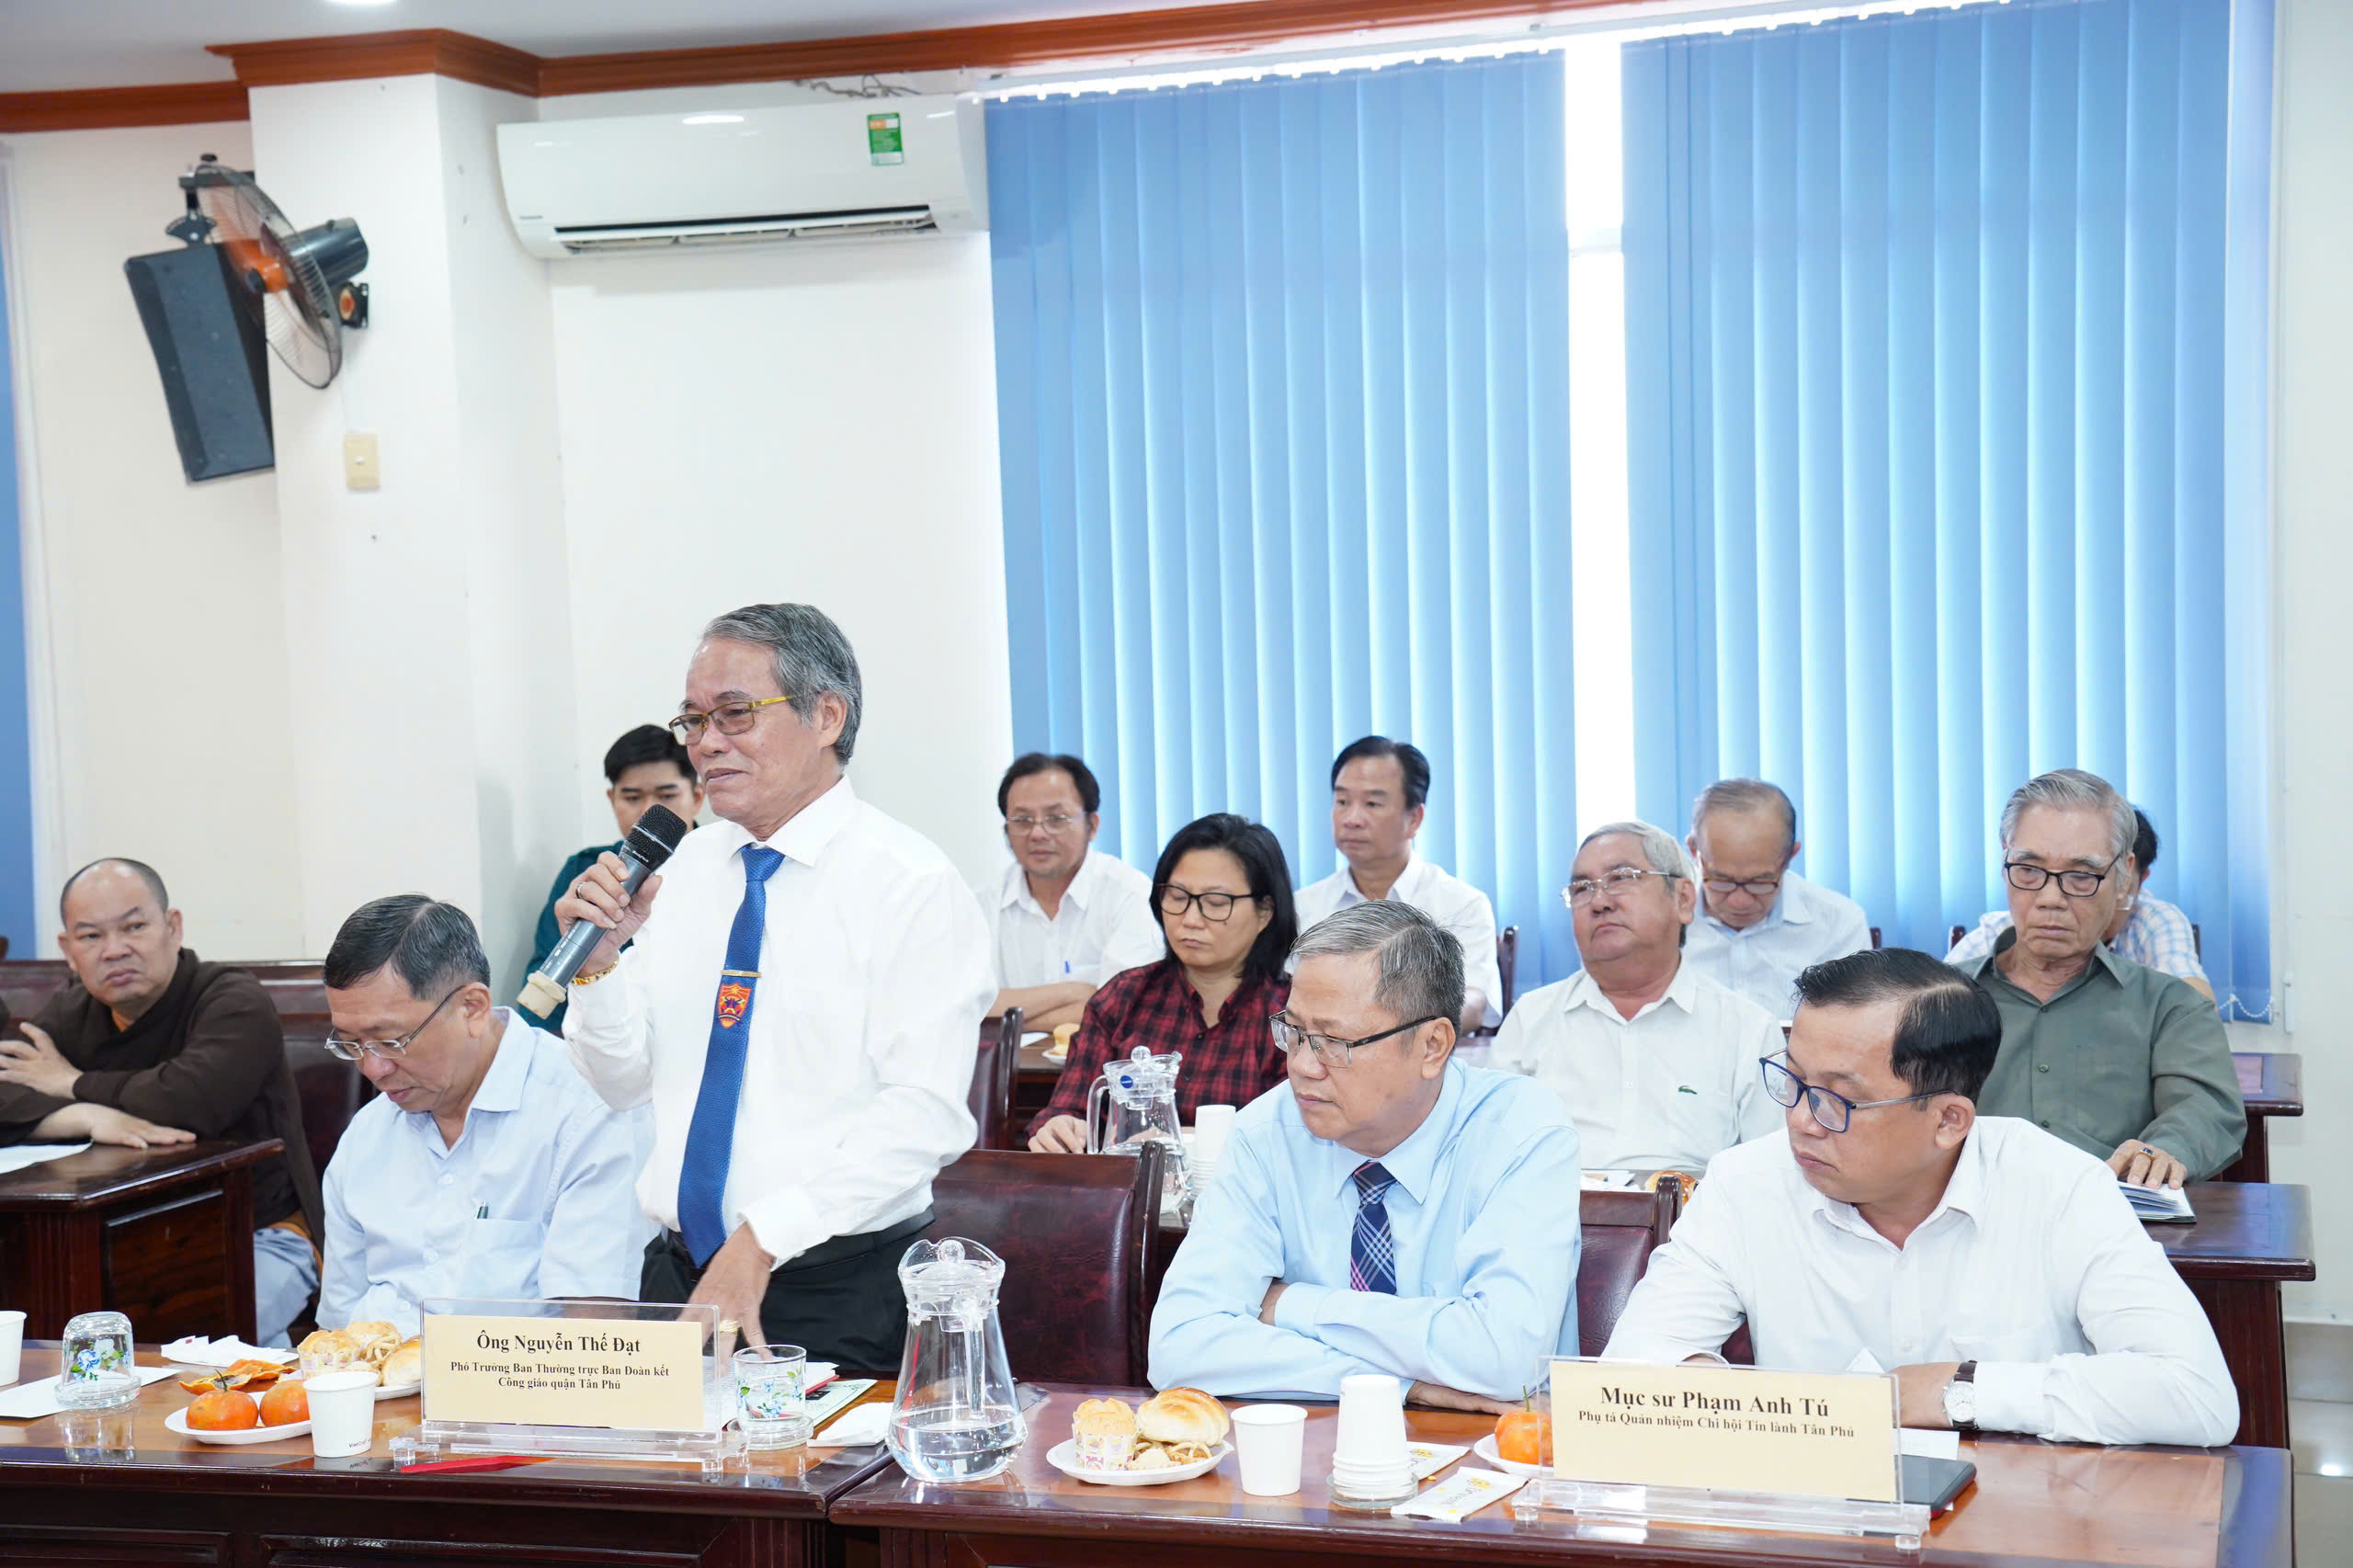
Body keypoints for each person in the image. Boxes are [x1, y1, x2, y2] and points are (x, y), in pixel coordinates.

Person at [556, 603, 993, 1374]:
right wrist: (598, 967)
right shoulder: (683, 872)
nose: (705, 743)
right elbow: (621, 1083)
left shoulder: (910, 884)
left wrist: (764, 1238)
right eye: (694, 720)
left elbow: (922, 1115)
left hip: (835, 1287)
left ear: (827, 716)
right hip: (679, 1278)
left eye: (734, 714)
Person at [1602, 948, 2238, 1449]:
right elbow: (1631, 1367)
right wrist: (1725, 1400)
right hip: (1822, 1525)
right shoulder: (1745, 1183)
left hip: (2013, 1523)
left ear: (1949, 1121)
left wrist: (1952, 1392)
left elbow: (2196, 1394)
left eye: (1836, 1098)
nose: (1799, 1120)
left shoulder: (2060, 1187)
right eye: (1792, 1080)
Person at [1148, 902, 1581, 1405]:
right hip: (1320, 1441)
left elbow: (1505, 1358)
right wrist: (1404, 1386)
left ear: (1432, 1046)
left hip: (1493, 1442)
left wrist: (1292, 1304)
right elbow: (1179, 1347)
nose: (1302, 1066)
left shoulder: (1519, 1131)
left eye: (1335, 1041)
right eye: (1294, 1032)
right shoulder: (1267, 1132)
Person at [0, 859, 320, 1346]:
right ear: (68, 950)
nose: (114, 950)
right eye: (91, 936)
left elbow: (189, 1100)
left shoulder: (231, 999)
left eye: (134, 927)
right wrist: (84, 1115)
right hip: (121, 1246)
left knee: (202, 1345)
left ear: (172, 927)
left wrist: (72, 1083)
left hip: (260, 1234)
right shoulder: (71, 1015)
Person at [316, 896, 640, 1333]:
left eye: (391, 1041)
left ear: (472, 1007)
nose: (373, 1069)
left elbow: (594, 1335)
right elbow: (338, 1334)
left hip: (525, 1374)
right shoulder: (367, 1134)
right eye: (351, 1044)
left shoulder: (586, 1112)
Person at [1948, 769, 2242, 1186]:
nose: (2050, 899)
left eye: (2081, 877)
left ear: (2124, 877)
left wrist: (2163, 1152)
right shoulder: (1941, 1001)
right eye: (2028, 870)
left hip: (2114, 1212)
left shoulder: (2170, 1006)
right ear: (2004, 861)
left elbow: (2205, 1109)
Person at [1489, 822, 1781, 1171]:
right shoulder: (1531, 1019)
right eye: (1582, 888)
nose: (1599, 902)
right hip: (1554, 1203)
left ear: (1683, 899)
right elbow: (1490, 1155)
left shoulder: (1747, 1030)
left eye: (1621, 878)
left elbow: (1771, 1172)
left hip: (1695, 1205)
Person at [1027, 813, 1296, 1153]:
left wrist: (1181, 1142)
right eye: (1177, 897)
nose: (1191, 919)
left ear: (1264, 912)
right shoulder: (1122, 998)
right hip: (1127, 1185)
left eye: (1216, 903)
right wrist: (1061, 1126)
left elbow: (1296, 1139)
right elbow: (1071, 1108)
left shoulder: (1295, 1014)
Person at [1292, 737, 1502, 1032]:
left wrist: (1390, 1035)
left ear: (1414, 819)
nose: (1352, 819)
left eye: (1372, 804)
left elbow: (1476, 1002)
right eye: (1342, 802)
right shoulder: (1303, 906)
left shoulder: (1462, 903)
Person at [524, 724, 705, 1030]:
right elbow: (544, 1005)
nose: (647, 810)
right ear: (612, 799)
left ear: (697, 796)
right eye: (632, 797)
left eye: (667, 795)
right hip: (598, 1044)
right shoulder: (585, 872)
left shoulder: (727, 866)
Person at [1947, 807, 2213, 1000]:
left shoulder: (2157, 920)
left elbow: (2194, 1008)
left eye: (2085, 877)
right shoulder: (2019, 925)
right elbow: (1934, 999)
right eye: (2078, 878)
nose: (2053, 900)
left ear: (2136, 879)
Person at [982, 753, 1163, 1033]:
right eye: (1022, 820)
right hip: (1014, 1063)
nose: (1037, 833)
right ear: (1007, 830)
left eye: (1056, 818)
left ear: (1092, 826)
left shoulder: (1130, 894)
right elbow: (968, 1005)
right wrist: (1074, 992)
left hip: (1101, 1060)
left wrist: (1005, 1021)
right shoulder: (982, 905)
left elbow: (1121, 1010)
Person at [1681, 778, 1872, 1017]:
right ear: (1693, 851)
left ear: (1790, 856)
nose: (1739, 902)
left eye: (1759, 882)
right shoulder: (1661, 921)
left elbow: (1849, 1024)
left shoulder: (1839, 922)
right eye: (1722, 880)